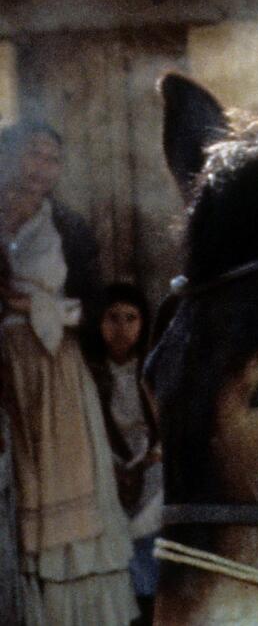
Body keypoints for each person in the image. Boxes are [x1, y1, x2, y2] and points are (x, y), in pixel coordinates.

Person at [0, 120, 139, 626]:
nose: (42, 167)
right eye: (32, 154)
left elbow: (95, 304)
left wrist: (38, 307)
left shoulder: (69, 227)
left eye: (52, 159)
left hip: (52, 367)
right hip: (2, 366)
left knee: (60, 483)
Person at [86, 283, 161, 622]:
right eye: (112, 318)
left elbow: (167, 425)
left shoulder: (152, 370)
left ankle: (152, 604)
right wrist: (114, 465)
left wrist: (150, 457)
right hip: (106, 462)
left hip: (152, 462)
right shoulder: (91, 374)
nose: (121, 328)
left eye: (131, 318)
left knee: (152, 512)